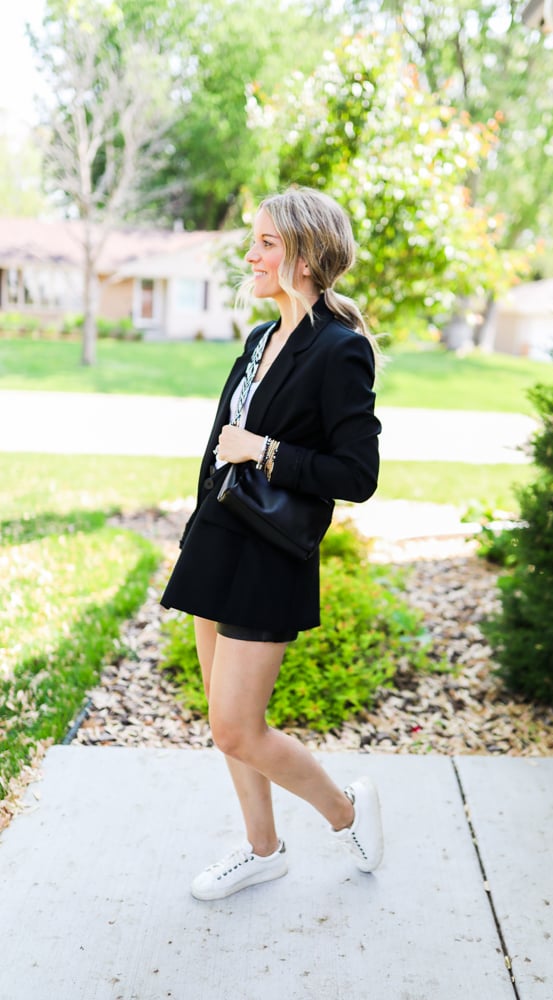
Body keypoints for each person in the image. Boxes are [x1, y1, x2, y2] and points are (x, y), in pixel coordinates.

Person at [161, 186, 384, 901]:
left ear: (307, 256)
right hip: (219, 542)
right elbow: (213, 448)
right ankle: (263, 849)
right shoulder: (260, 339)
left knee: (235, 728)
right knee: (224, 725)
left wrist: (264, 451)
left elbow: (357, 473)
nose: (250, 254)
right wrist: (195, 528)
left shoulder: (340, 349)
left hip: (270, 556)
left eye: (265, 243)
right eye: (251, 242)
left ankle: (346, 814)